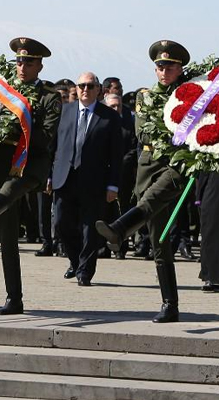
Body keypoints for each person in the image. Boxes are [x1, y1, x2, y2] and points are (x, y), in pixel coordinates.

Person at [0, 37, 61, 314]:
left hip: (31, 165)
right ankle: (13, 298)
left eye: (28, 61)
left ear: (39, 65)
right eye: (18, 61)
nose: (22, 66)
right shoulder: (3, 92)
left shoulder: (49, 97)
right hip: (2, 163)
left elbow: (45, 137)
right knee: (7, 235)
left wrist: (18, 127)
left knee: (7, 195)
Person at [95, 40, 192, 323]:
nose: (164, 71)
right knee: (158, 242)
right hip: (148, 166)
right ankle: (169, 303)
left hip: (175, 165)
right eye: (160, 66)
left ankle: (121, 228)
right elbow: (144, 133)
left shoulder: (191, 96)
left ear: (180, 68)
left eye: (170, 66)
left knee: (150, 203)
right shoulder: (145, 97)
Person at [52, 72, 122, 286]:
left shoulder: (109, 117)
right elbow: (55, 146)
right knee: (61, 223)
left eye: (90, 86)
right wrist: (49, 176)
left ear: (98, 90)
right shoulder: (65, 111)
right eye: (81, 85)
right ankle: (75, 261)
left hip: (94, 180)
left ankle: (85, 271)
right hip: (65, 177)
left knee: (89, 228)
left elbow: (116, 154)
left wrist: (113, 185)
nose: (85, 89)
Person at [103, 92, 138, 259]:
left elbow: (133, 148)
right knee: (103, 211)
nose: (115, 109)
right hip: (103, 173)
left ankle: (121, 247)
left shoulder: (128, 125)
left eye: (118, 106)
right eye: (111, 106)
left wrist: (121, 164)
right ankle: (103, 247)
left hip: (123, 174)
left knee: (123, 209)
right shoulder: (101, 123)